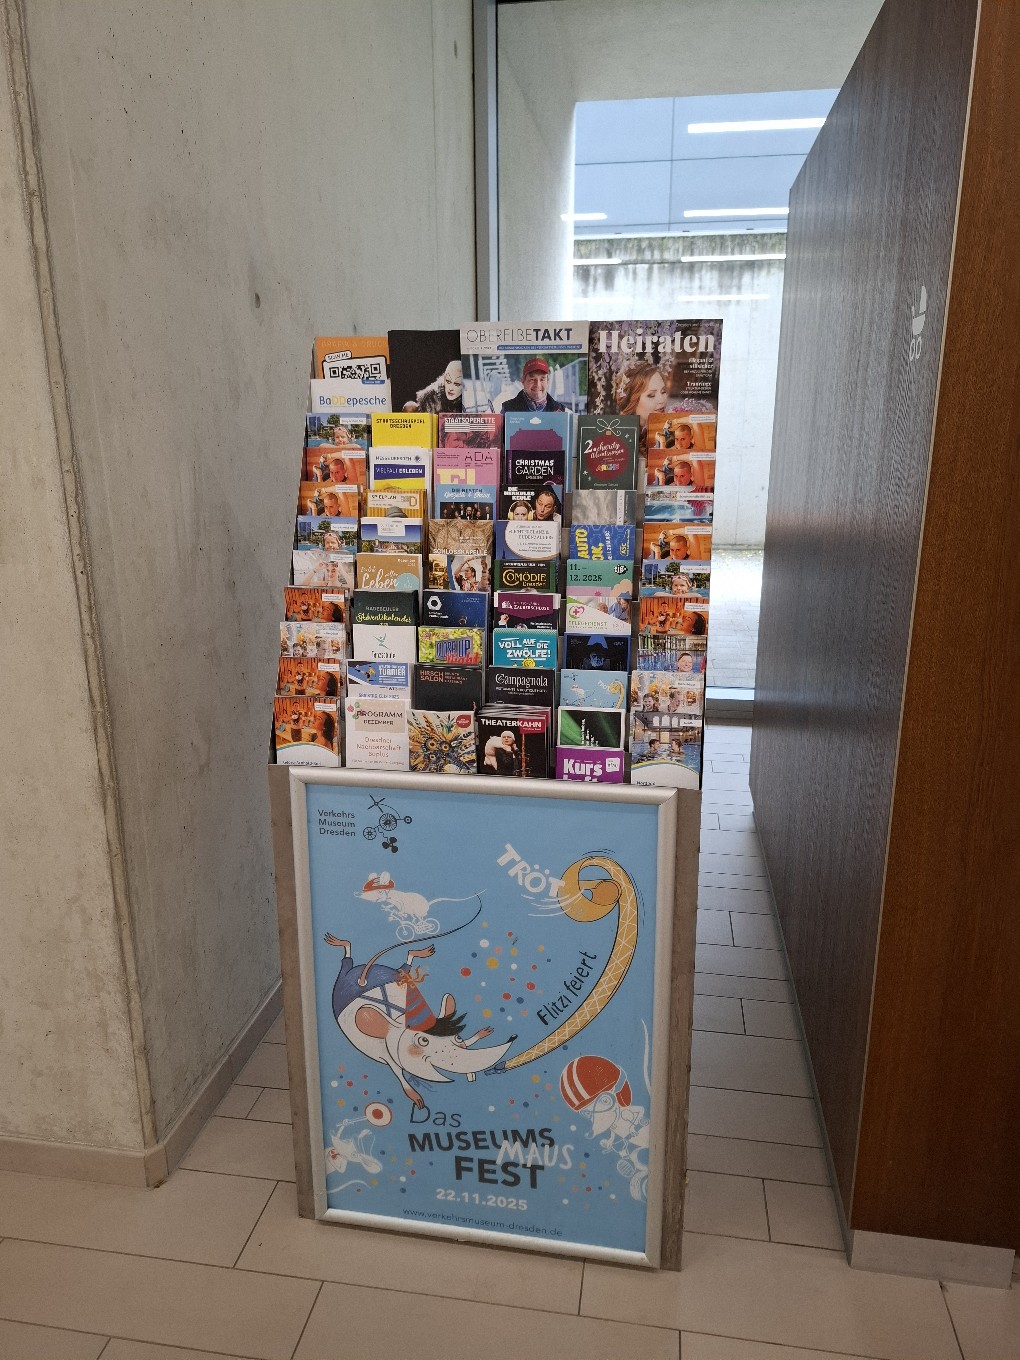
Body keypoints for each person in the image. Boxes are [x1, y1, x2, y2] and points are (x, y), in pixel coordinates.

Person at [501, 356, 567, 413]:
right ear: (523, 381)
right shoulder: (507, 410)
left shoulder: (560, 411)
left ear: (548, 382)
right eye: (532, 379)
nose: (537, 385)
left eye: (542, 379)